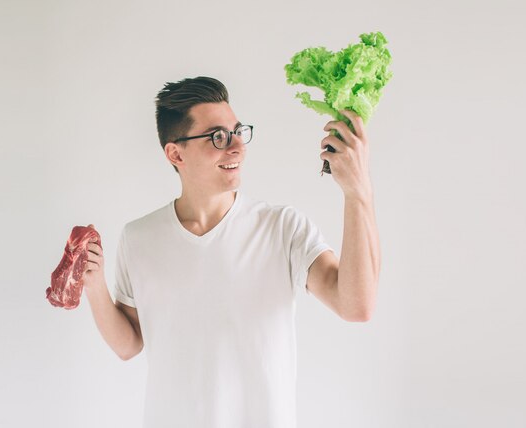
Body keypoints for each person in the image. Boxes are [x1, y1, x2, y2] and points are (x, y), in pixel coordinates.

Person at [82, 76, 380, 427]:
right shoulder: (139, 237)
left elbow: (356, 305)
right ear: (176, 153)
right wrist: (95, 286)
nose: (237, 146)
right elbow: (129, 344)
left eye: (238, 131)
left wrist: (357, 193)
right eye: (218, 137)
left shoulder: (282, 228)